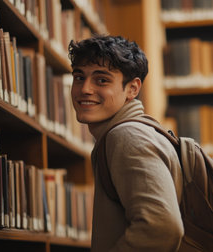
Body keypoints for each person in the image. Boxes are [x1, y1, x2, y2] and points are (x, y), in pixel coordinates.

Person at [68, 35, 184, 251]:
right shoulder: (126, 133)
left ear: (132, 88)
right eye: (79, 77)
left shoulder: (128, 136)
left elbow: (162, 227)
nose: (85, 89)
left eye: (101, 80)